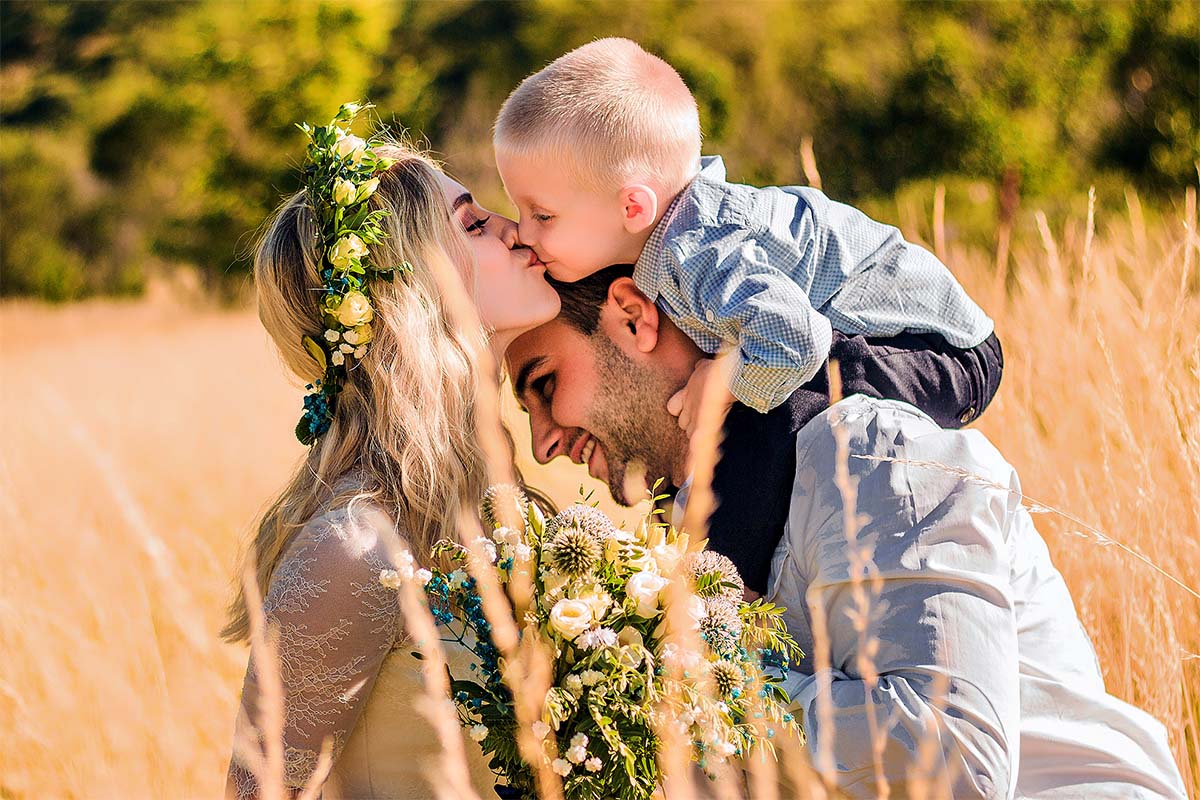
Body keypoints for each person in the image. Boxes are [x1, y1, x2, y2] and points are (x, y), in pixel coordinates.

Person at [504, 268, 1187, 799]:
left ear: (631, 317)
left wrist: (687, 689)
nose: (541, 443)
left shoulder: (866, 448)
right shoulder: (692, 529)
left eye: (545, 382)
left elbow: (952, 764)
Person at [492, 37, 1004, 595]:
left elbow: (796, 341)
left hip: (941, 346)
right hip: (892, 336)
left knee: (771, 412)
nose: (524, 232)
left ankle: (725, 602)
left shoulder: (701, 249)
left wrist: (722, 376)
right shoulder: (674, 247)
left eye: (541, 214)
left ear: (632, 206)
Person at [223, 121, 560, 799]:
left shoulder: (497, 500)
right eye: (472, 225)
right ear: (414, 294)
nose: (513, 228)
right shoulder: (353, 546)